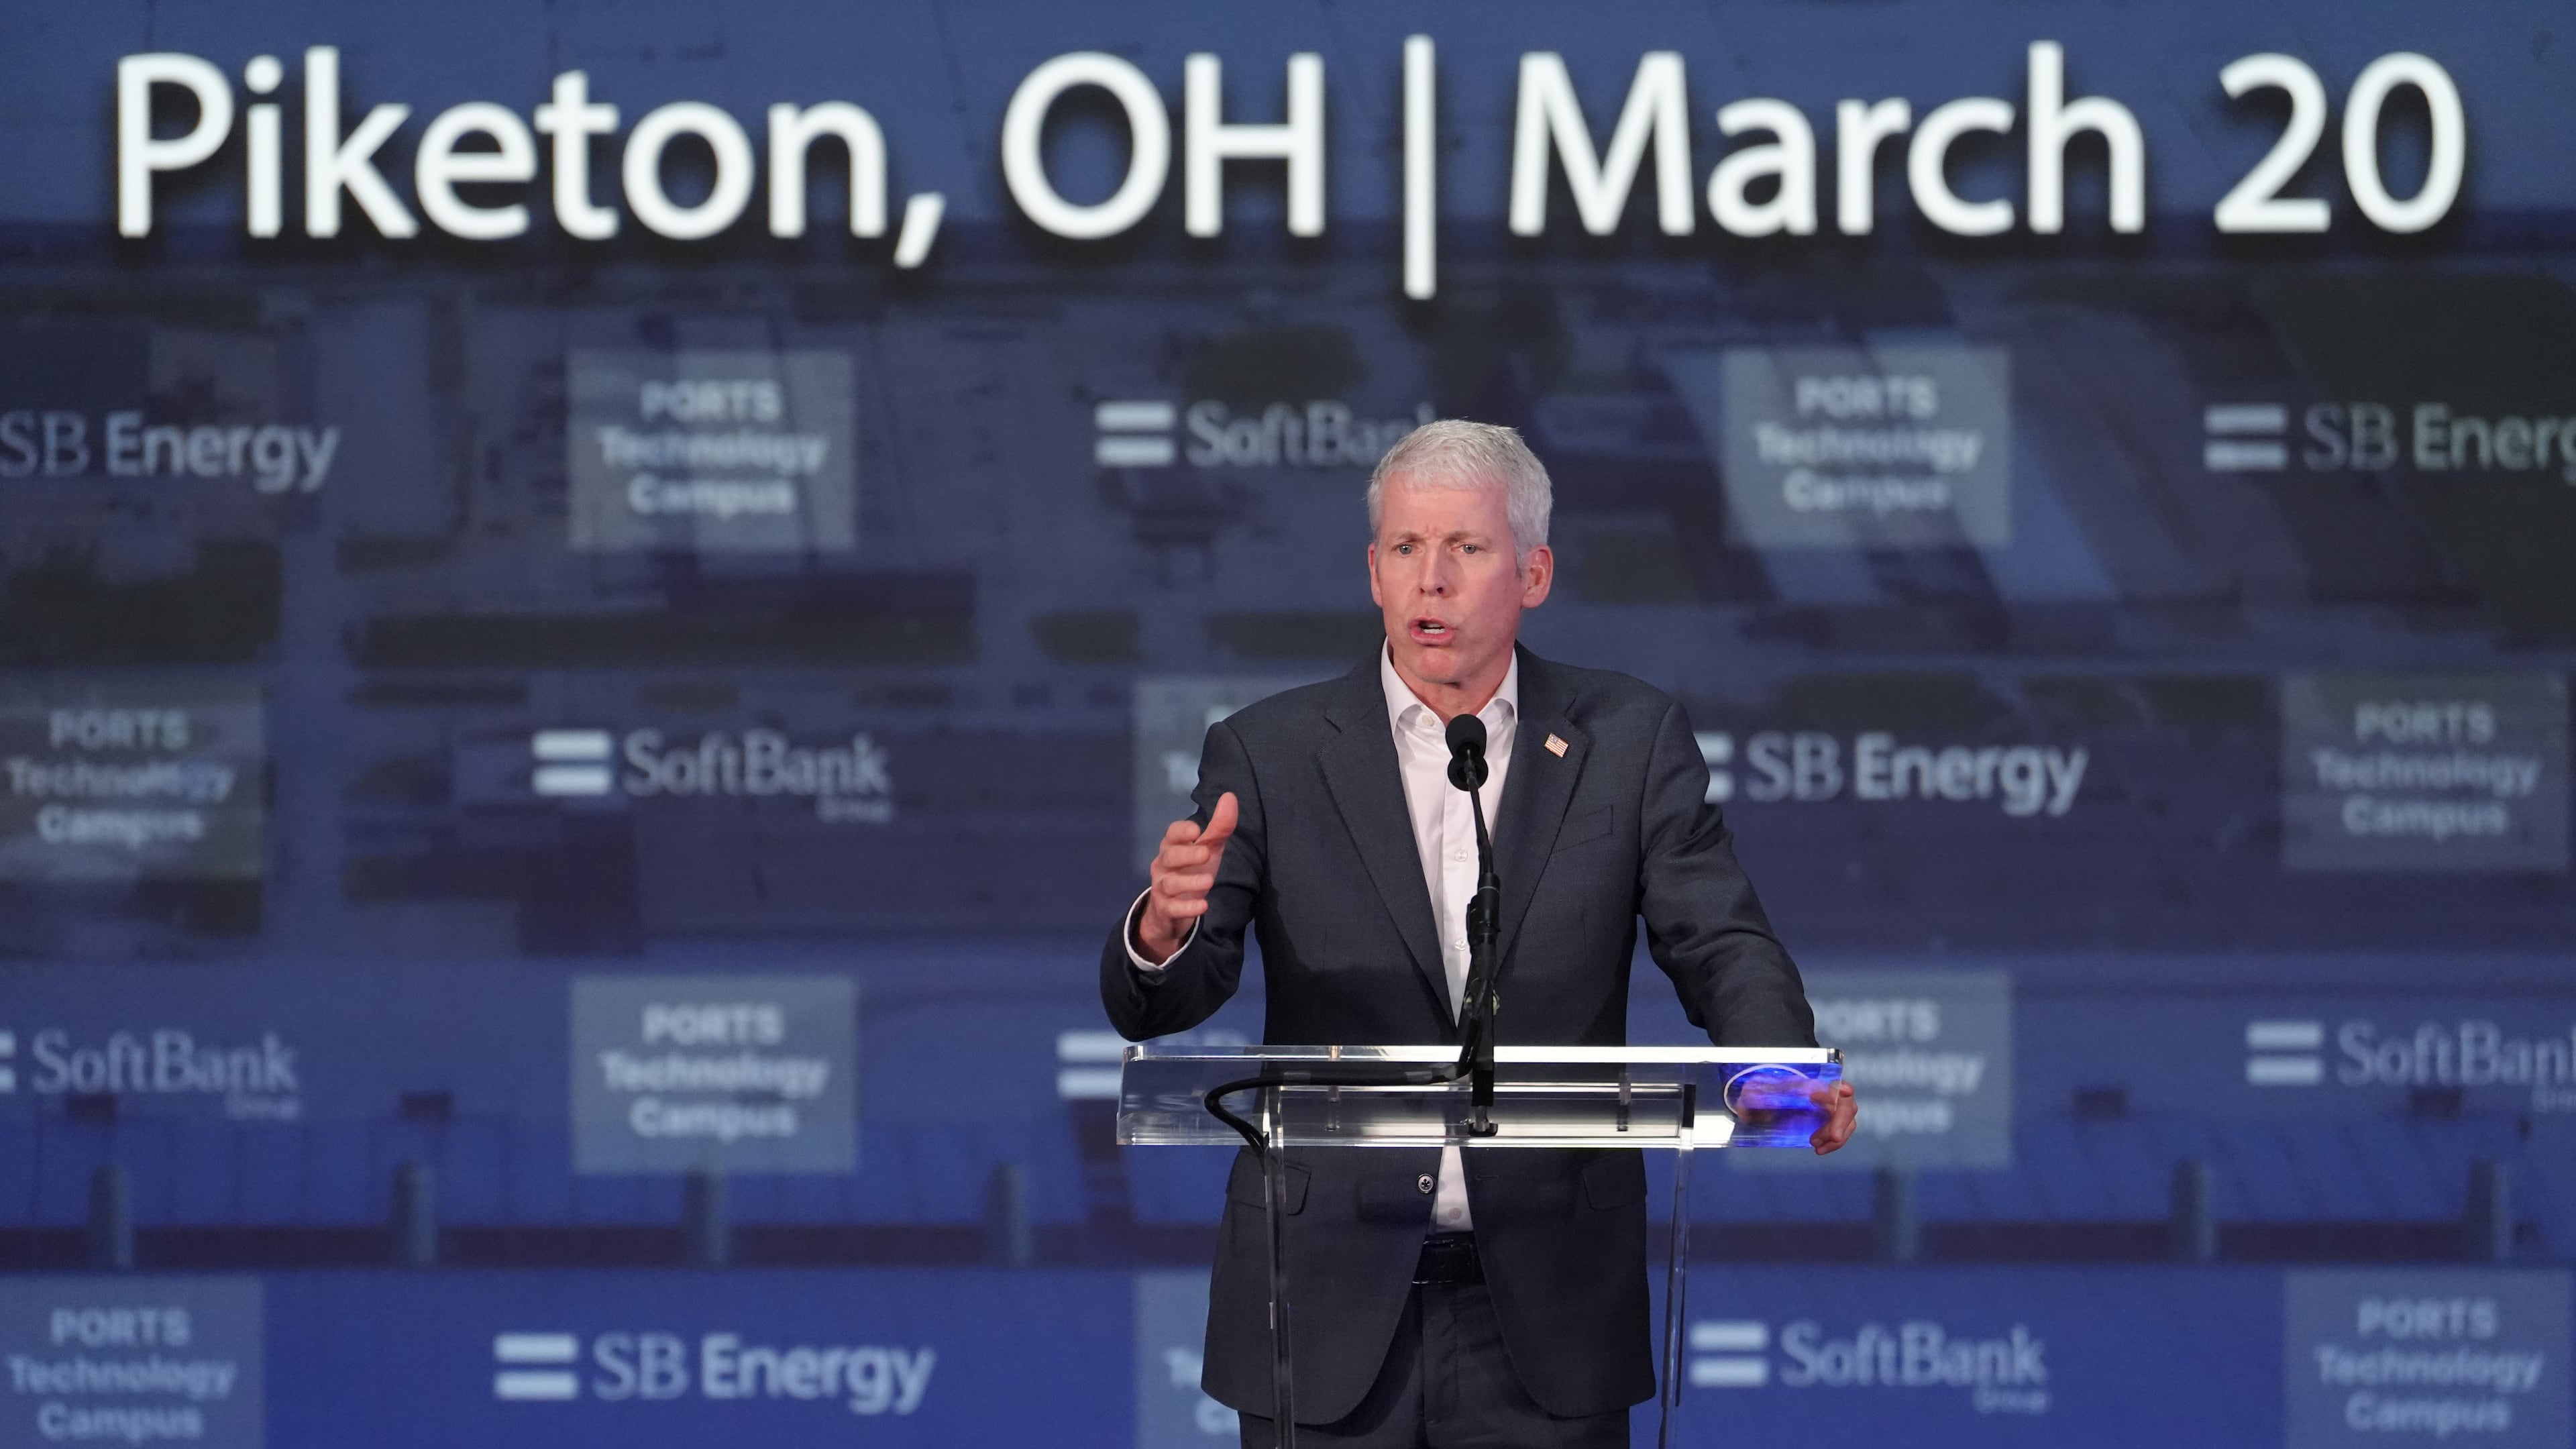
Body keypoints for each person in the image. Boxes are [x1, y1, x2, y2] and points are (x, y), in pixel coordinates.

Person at [1100, 419, 1858, 1448]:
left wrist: (1782, 1066)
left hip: (1550, 1306)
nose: (1432, 581)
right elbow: (1171, 993)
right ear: (1372, 571)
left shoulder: (1628, 742)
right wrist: (1163, 929)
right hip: (1323, 1308)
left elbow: (1718, 936)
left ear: (1534, 572)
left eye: (1467, 548)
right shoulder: (1267, 752)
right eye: (1406, 549)